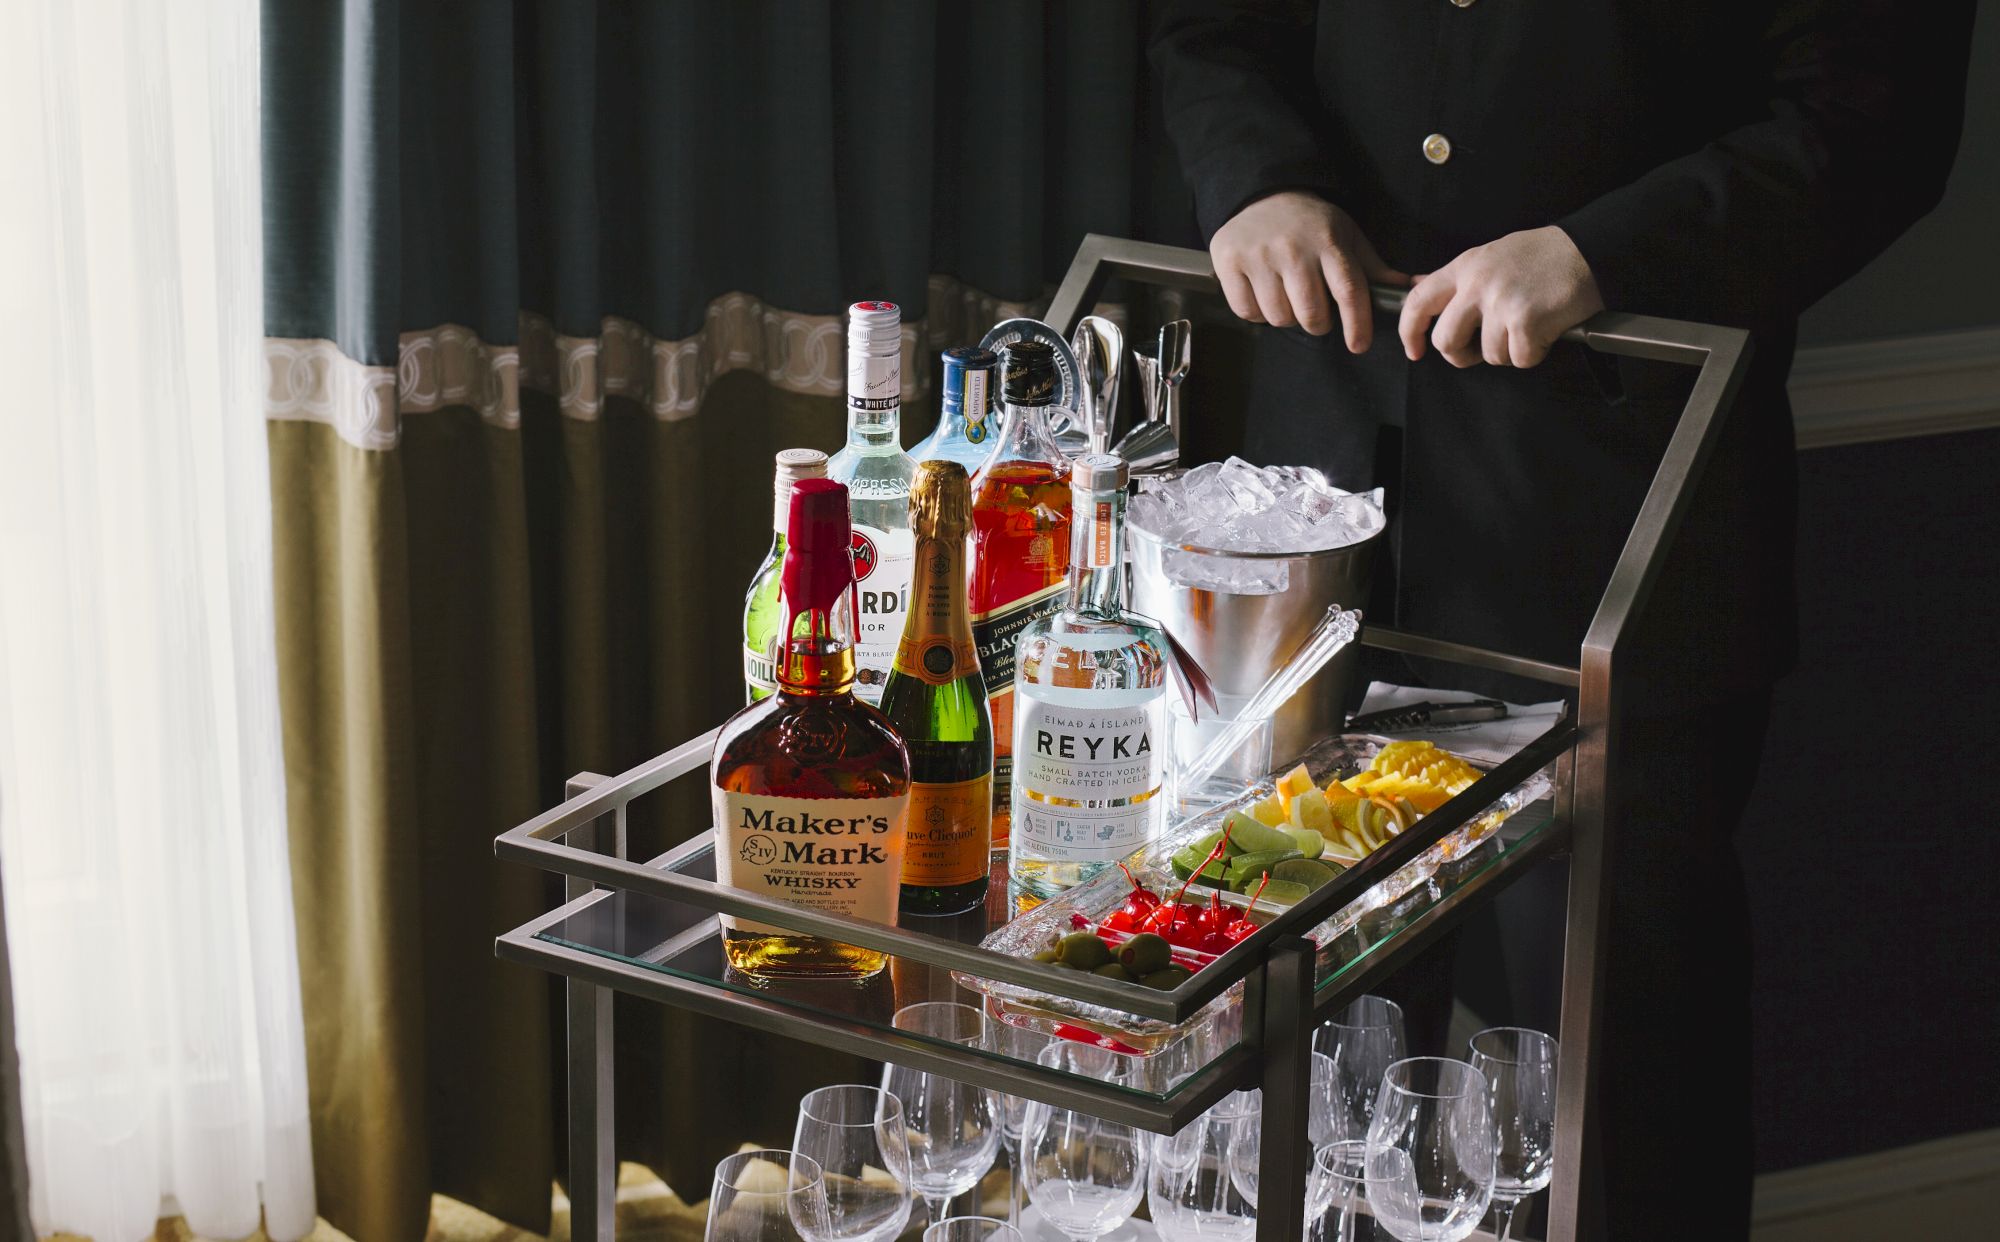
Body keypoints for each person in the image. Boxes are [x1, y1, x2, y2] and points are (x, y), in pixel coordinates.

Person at [1151, 1, 1974, 1237]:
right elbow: (1210, 25)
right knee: (1301, 1067)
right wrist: (1254, 180)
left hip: (1617, 525)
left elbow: (1872, 119)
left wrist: (1602, 253)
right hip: (1308, 502)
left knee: (1623, 1080)